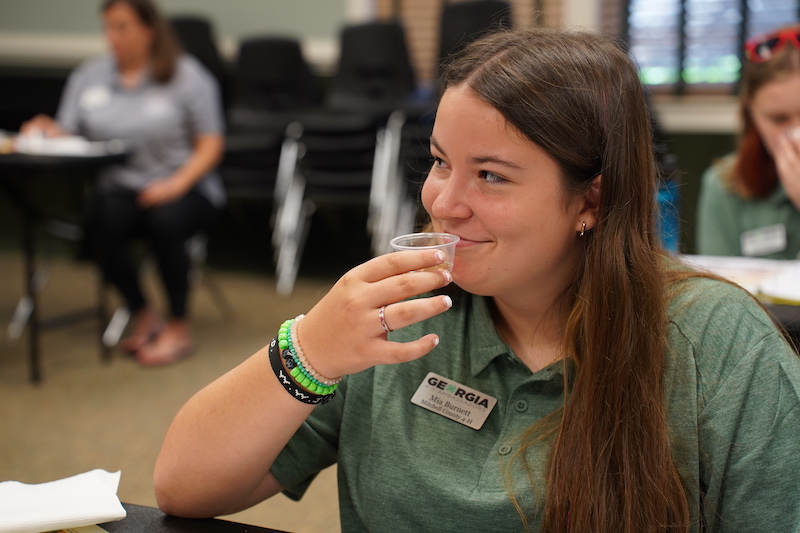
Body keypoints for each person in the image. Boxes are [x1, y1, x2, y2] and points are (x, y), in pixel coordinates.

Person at [153, 28, 800, 532]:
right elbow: (183, 486)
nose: (444, 201)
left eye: (490, 174)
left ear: (590, 202)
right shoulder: (400, 310)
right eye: (439, 161)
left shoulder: (718, 344)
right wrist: (308, 349)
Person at [21, 0, 225, 365]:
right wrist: (44, 130)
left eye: (121, 27)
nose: (112, 37)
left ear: (149, 30)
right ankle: (143, 312)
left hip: (185, 187)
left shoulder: (187, 74)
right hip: (121, 188)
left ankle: (179, 325)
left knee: (166, 221)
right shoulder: (89, 76)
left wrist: (175, 185)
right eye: (107, 28)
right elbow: (68, 131)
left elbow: (211, 144)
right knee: (100, 224)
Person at [696, 24, 800, 259]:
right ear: (752, 112)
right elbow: (721, 293)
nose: (796, 134)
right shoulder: (723, 185)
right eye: (778, 119)